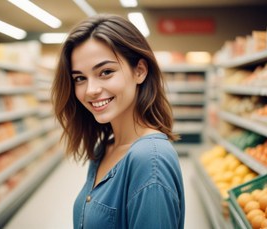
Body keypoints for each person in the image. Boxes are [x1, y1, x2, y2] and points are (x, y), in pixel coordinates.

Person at [51, 14, 185, 229]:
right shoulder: (105, 148)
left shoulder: (150, 159)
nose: (91, 90)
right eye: (80, 78)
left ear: (139, 71)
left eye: (105, 72)